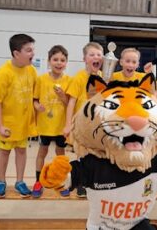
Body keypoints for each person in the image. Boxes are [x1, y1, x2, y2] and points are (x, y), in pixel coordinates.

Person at [0, 34, 37, 198]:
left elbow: (35, 94)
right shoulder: (3, 73)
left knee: (21, 152)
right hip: (8, 124)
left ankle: (20, 181)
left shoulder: (31, 70)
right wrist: (0, 126)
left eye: (33, 49)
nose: (33, 53)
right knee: (4, 152)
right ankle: (1, 181)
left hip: (24, 124)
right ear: (17, 53)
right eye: (29, 50)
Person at [63, 41, 104, 198]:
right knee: (81, 155)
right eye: (92, 54)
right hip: (81, 124)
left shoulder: (102, 77)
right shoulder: (79, 78)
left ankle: (93, 182)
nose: (96, 57)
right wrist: (68, 125)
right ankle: (81, 184)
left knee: (96, 155)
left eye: (99, 55)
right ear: (84, 59)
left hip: (96, 124)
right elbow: (71, 102)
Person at [31, 45, 71, 198]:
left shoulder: (69, 80)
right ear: (49, 61)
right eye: (55, 59)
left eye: (62, 60)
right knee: (42, 151)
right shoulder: (41, 80)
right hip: (45, 125)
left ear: (66, 63)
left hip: (61, 126)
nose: (59, 63)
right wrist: (37, 106)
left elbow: (69, 103)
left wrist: (62, 96)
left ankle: (59, 181)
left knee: (60, 154)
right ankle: (38, 181)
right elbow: (34, 100)